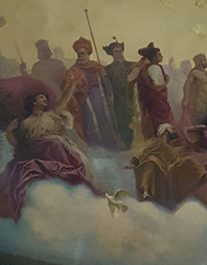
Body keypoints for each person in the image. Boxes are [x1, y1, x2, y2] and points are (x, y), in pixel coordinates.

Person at [0, 86, 98, 223]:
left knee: (79, 168)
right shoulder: (26, 123)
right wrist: (10, 132)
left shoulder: (51, 114)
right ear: (34, 102)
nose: (45, 99)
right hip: (40, 153)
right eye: (41, 97)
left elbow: (64, 99)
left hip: (60, 151)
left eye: (45, 97)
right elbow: (18, 144)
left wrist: (72, 84)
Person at [65, 37, 119, 149]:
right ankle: (96, 146)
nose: (81, 56)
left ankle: (110, 145)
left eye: (83, 53)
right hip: (85, 99)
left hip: (100, 96)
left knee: (104, 119)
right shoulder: (74, 70)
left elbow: (106, 82)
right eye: (79, 54)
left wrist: (109, 92)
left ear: (88, 53)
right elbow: (69, 85)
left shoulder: (97, 66)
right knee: (90, 121)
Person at [130, 42, 177, 139]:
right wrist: (167, 81)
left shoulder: (149, 67)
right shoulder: (154, 68)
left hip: (153, 101)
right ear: (154, 57)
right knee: (163, 122)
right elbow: (158, 88)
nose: (161, 56)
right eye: (159, 54)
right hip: (157, 101)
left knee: (158, 123)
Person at [103, 38, 135, 149]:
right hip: (118, 98)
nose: (120, 54)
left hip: (131, 96)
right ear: (111, 54)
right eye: (117, 52)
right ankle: (126, 144)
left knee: (134, 119)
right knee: (121, 120)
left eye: (121, 51)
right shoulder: (108, 69)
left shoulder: (131, 65)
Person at [181, 53, 207, 129]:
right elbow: (187, 85)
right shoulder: (194, 72)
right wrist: (186, 98)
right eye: (204, 60)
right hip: (199, 100)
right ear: (199, 62)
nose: (206, 62)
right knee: (200, 119)